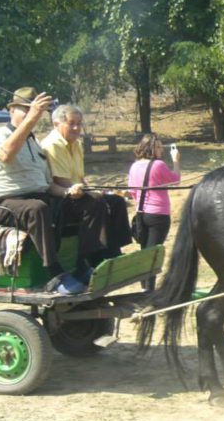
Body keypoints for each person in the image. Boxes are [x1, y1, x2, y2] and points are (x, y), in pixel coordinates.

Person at [0, 87, 104, 295]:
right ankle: (54, 274)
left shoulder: (35, 142)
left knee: (91, 201)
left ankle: (84, 262)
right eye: (26, 109)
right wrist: (33, 116)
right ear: (12, 110)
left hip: (38, 197)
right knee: (37, 208)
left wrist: (68, 192)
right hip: (3, 202)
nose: (32, 114)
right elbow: (6, 156)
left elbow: (47, 185)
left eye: (35, 110)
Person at [41, 104, 132, 264]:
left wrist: (94, 189)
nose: (76, 128)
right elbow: (61, 181)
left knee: (117, 201)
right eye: (71, 123)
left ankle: (114, 250)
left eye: (79, 123)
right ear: (56, 124)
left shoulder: (76, 144)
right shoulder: (53, 145)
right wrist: (92, 193)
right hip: (60, 198)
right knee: (95, 202)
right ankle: (91, 257)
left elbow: (80, 178)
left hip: (79, 193)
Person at [128, 134, 180, 291]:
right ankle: (149, 290)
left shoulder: (134, 166)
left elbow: (132, 192)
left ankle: (144, 287)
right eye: (158, 147)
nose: (161, 150)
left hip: (141, 213)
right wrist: (176, 160)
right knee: (153, 254)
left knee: (145, 251)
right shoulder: (159, 165)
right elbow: (176, 180)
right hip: (159, 214)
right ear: (149, 148)